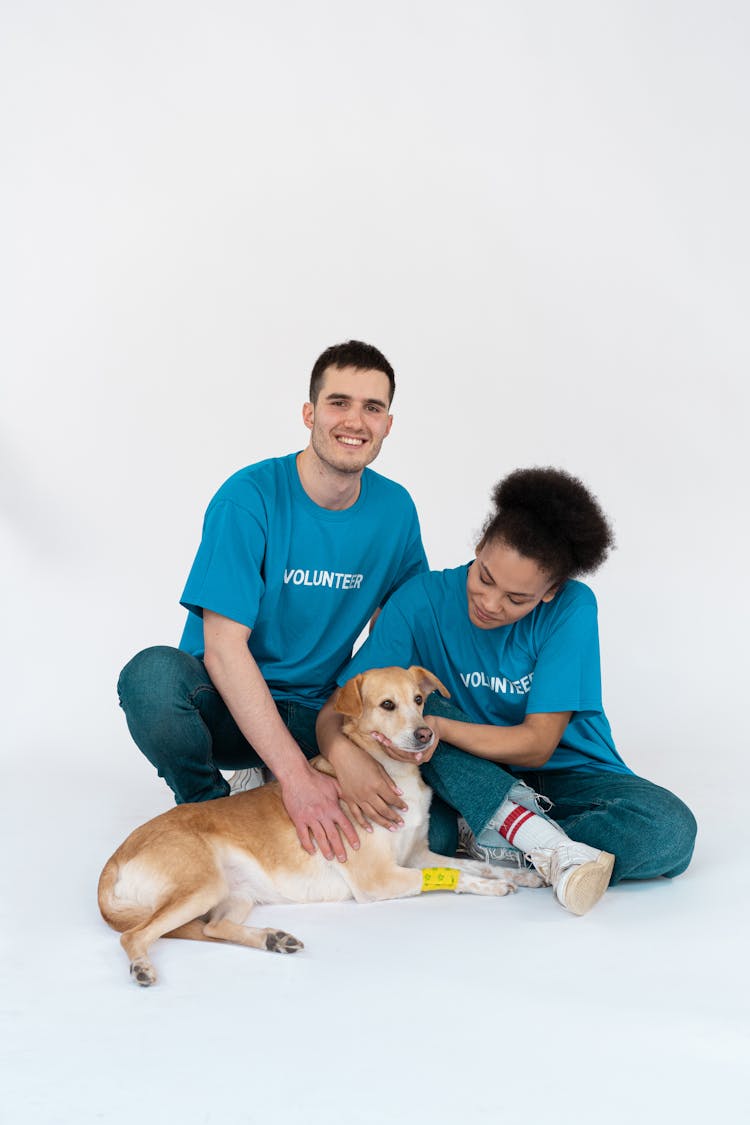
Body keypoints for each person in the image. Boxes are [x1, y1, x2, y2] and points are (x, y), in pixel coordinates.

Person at [316, 467, 697, 914]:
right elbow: (342, 708)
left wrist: (435, 724)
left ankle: (505, 835)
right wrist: (345, 759)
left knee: (669, 833)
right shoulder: (419, 600)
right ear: (478, 550)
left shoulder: (572, 608)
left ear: (551, 591)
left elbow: (536, 746)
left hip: (569, 775)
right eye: (484, 578)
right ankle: (546, 848)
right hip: (459, 771)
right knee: (420, 745)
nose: (491, 603)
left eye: (517, 599)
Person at [117, 340, 428, 863]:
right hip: (225, 707)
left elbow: (396, 635)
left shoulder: (395, 510)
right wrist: (297, 777)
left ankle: (503, 826)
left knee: (429, 819)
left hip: (317, 711)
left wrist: (345, 741)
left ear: (388, 424)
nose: (355, 420)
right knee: (150, 678)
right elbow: (222, 650)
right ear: (309, 413)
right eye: (339, 402)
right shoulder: (249, 497)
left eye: (373, 408)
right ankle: (210, 809)